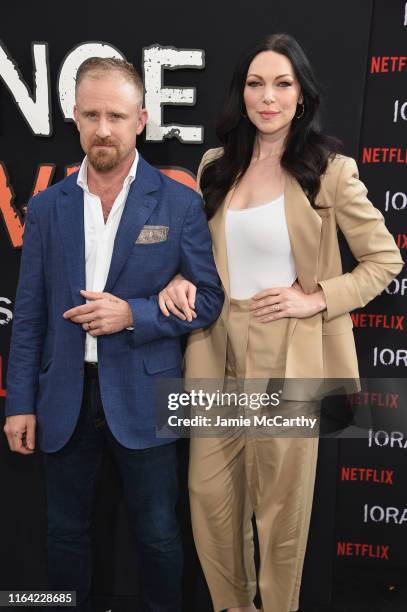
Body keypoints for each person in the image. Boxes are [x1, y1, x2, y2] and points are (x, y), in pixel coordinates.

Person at [158, 34, 404, 612]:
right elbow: (200, 257)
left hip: (289, 353)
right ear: (240, 94)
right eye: (255, 83)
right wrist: (177, 278)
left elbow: (385, 260)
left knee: (280, 512)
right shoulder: (216, 165)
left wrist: (316, 298)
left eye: (282, 83)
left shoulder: (330, 170)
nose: (267, 97)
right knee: (208, 499)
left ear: (301, 96)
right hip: (214, 348)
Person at [3, 57, 223, 612]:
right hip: (63, 398)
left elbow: (211, 299)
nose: (104, 128)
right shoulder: (48, 207)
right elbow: (28, 316)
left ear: (141, 120)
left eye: (118, 116)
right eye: (93, 114)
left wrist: (136, 315)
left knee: (158, 535)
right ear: (74, 118)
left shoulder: (177, 203)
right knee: (64, 536)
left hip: (146, 394)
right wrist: (19, 403)